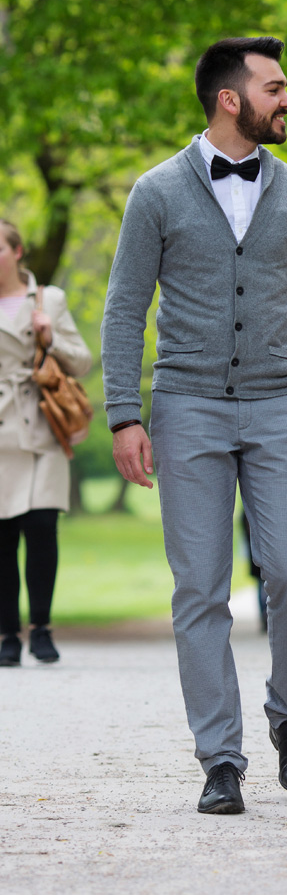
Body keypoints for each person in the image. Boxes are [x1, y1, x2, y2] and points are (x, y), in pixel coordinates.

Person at [101, 36, 287, 815]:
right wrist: (124, 414)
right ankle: (220, 757)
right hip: (186, 407)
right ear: (229, 99)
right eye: (275, 88)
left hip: (282, 403)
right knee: (200, 588)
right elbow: (123, 309)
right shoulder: (155, 192)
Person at [0, 219, 92, 667]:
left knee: (41, 529)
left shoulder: (48, 299)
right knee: (1, 537)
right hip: (0, 433)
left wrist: (50, 338)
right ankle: (6, 635)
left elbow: (82, 361)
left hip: (42, 426)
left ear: (17, 252)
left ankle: (41, 628)